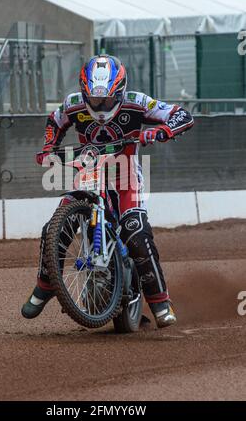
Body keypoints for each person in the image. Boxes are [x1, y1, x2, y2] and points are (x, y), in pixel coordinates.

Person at [21, 55, 194, 328]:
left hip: (126, 177)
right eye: (96, 101)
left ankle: (160, 301)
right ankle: (45, 285)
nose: (101, 107)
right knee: (55, 226)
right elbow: (54, 122)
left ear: (121, 90)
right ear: (84, 92)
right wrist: (48, 149)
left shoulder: (138, 103)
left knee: (135, 231)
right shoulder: (72, 104)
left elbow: (182, 116)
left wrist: (160, 131)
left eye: (108, 100)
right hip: (89, 173)